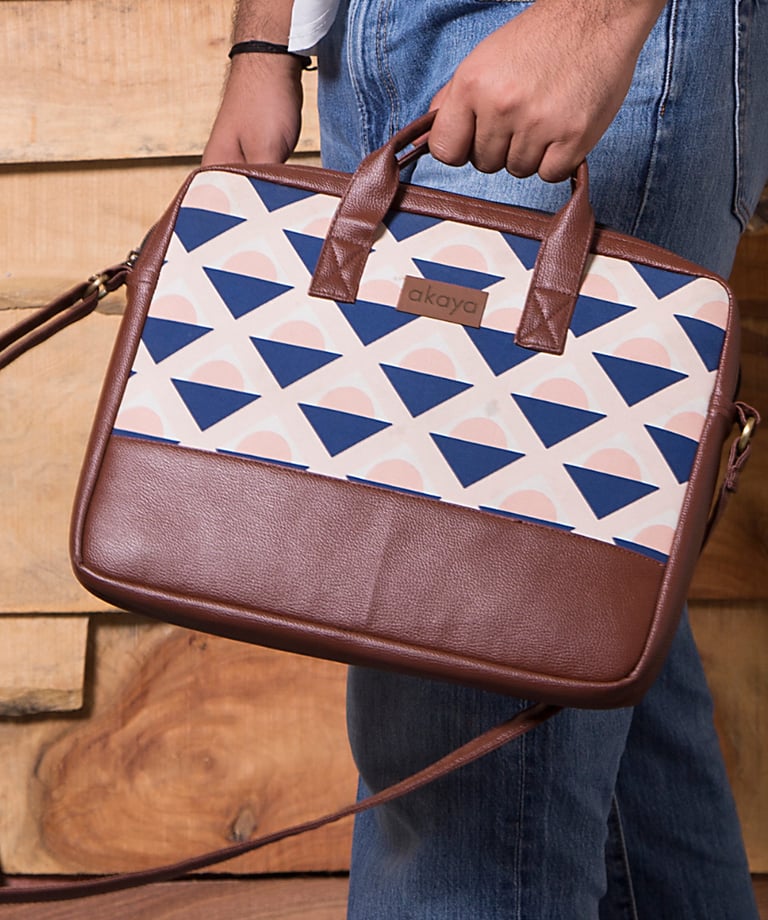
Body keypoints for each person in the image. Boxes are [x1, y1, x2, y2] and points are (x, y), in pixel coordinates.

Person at [204, 1, 768, 916]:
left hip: (566, 24)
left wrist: (596, 18)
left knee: (465, 723)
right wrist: (267, 44)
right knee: (590, 612)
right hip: (369, 42)